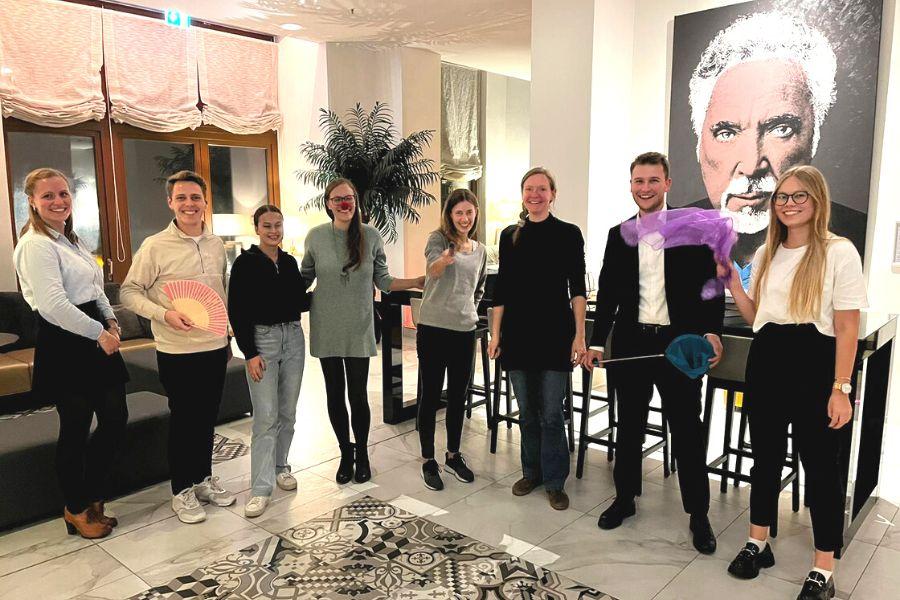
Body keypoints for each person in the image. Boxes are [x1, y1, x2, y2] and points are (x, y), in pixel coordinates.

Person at [724, 165, 866, 600]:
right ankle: (757, 542)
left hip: (815, 363)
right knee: (764, 459)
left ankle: (823, 568)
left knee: (821, 469)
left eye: (799, 195)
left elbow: (847, 327)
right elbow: (757, 318)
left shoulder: (839, 252)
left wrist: (841, 388)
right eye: (782, 197)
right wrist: (733, 282)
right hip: (767, 360)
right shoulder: (766, 254)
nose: (788, 204)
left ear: (817, 200)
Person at [583, 152, 724, 554]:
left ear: (667, 184)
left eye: (652, 181)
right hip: (632, 343)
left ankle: (698, 514)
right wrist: (597, 342)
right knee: (628, 426)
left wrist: (712, 332)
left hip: (679, 346)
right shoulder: (619, 234)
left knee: (687, 431)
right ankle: (625, 498)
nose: (645, 188)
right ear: (631, 186)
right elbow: (608, 292)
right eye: (638, 181)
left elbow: (711, 285)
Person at [686, 11, 866, 273]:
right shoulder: (673, 241)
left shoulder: (848, 244)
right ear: (699, 145)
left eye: (780, 129)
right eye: (727, 132)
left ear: (814, 138)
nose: (751, 166)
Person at [13, 168, 128, 539]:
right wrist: (99, 333)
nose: (58, 201)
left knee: (114, 418)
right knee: (75, 428)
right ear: (32, 202)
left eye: (63, 193)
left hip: (95, 332)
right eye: (48, 195)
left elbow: (95, 289)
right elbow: (52, 305)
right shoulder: (36, 244)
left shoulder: (72, 240)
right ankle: (75, 507)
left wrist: (112, 321)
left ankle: (93, 495)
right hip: (65, 340)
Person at [120, 170, 234, 524]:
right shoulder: (155, 246)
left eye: (195, 197)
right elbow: (129, 292)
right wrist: (164, 314)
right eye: (181, 198)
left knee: (207, 418)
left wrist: (228, 333)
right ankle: (181, 489)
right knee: (184, 420)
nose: (189, 204)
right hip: (177, 351)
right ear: (170, 202)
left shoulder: (216, 245)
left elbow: (221, 293)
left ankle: (202, 479)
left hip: (214, 346)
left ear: (204, 202)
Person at [301, 178, 425, 484]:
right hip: (326, 325)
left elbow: (384, 280)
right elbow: (303, 278)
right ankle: (346, 453)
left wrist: (416, 281)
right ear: (328, 204)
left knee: (357, 395)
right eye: (338, 199)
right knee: (334, 394)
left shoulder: (371, 235)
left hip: (359, 325)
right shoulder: (315, 236)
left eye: (350, 198)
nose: (345, 203)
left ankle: (363, 454)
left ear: (356, 201)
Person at [488, 167, 586, 511]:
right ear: (523, 194)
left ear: (553, 194)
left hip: (556, 335)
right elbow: (502, 290)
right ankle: (531, 472)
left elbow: (577, 289)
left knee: (551, 413)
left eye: (542, 189)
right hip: (518, 335)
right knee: (527, 412)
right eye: (529, 189)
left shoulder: (569, 234)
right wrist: (495, 334)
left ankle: (555, 481)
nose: (535, 195)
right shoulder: (509, 235)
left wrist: (579, 336)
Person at [227, 205, 307, 518]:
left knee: (288, 412)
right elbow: (237, 311)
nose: (274, 231)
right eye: (267, 226)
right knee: (265, 416)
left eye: (278, 225)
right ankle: (260, 489)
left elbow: (300, 301)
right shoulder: (244, 263)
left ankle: (280, 466)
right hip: (263, 341)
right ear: (257, 228)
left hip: (294, 339)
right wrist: (250, 353)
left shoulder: (288, 262)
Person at [416, 189, 487, 490]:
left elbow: (479, 288)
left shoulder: (481, 250)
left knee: (458, 396)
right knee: (431, 395)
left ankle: (453, 455)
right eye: (459, 213)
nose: (464, 218)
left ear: (475, 214)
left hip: (463, 330)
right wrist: (445, 259)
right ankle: (427, 460)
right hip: (433, 328)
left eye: (469, 212)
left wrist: (469, 310)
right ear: (450, 214)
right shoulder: (438, 240)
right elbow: (432, 270)